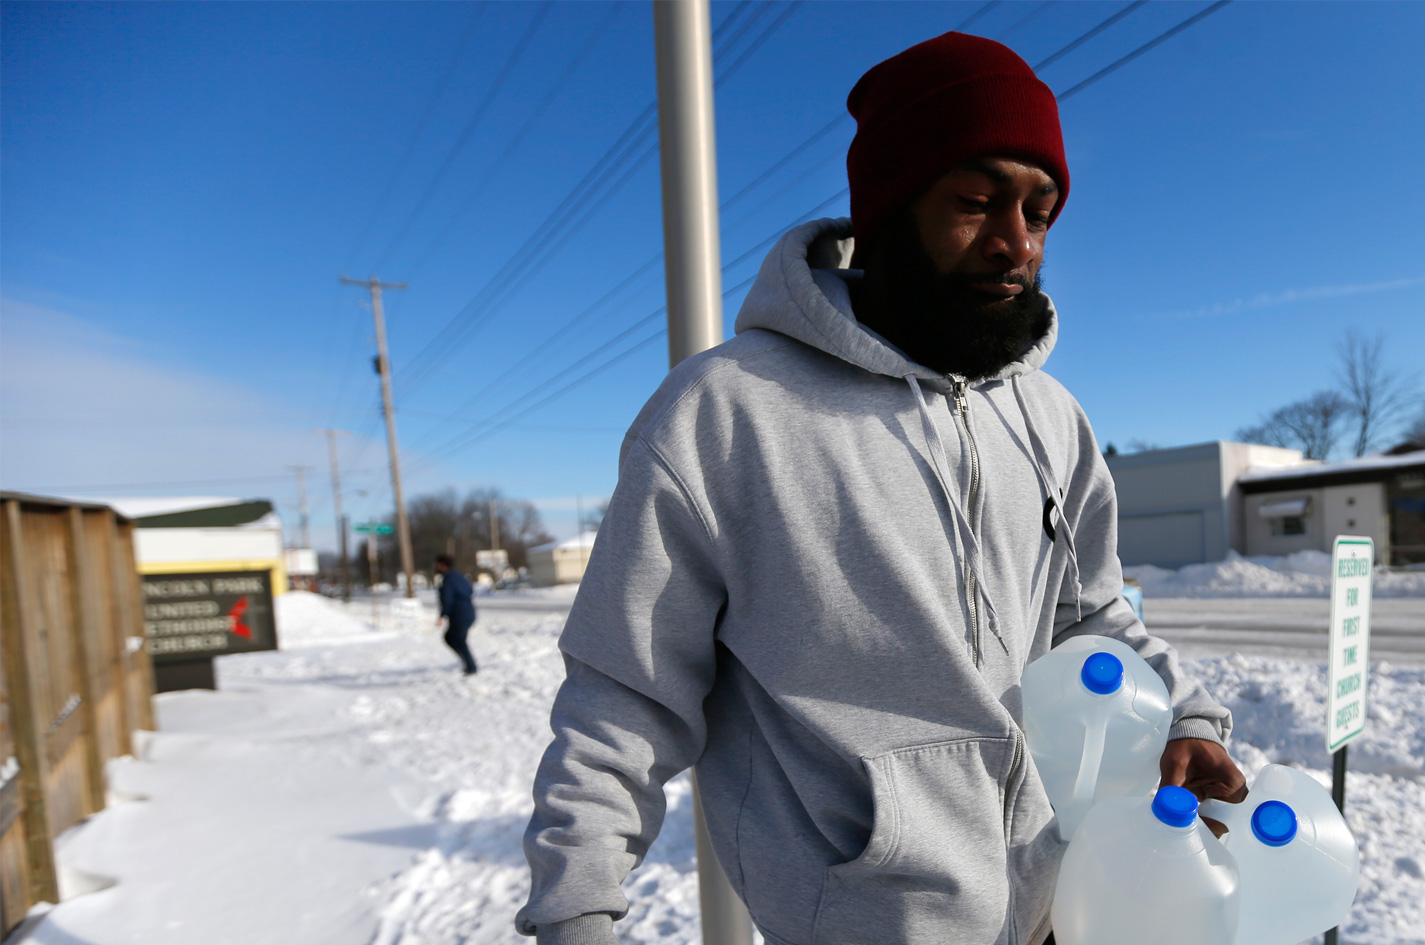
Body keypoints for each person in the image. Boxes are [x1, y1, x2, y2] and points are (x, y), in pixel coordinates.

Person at [518, 32, 1245, 945]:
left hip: (1064, 912)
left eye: (1042, 210)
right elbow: (623, 697)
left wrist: (1184, 715)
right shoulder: (727, 413)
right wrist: (576, 912)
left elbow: (1091, 615)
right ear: (893, 209)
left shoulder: (1053, 417)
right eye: (977, 203)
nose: (1017, 243)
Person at [435, 553, 477, 675]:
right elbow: (470, 591)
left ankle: (471, 666)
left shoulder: (448, 579)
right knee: (456, 639)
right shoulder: (460, 576)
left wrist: (443, 615)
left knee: (454, 638)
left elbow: (447, 599)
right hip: (469, 612)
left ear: (442, 565)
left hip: (459, 614)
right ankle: (468, 663)